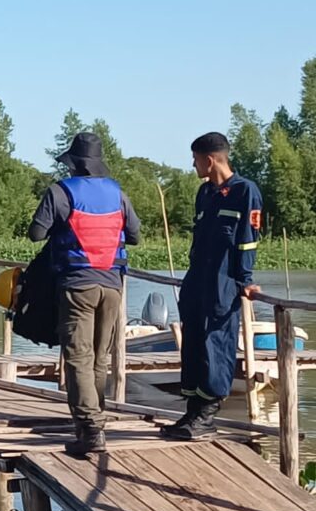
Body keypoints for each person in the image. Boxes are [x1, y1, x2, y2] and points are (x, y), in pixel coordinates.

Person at [28, 132, 141, 454]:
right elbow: (133, 235)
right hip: (112, 285)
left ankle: (90, 430)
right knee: (99, 357)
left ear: (74, 164)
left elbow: (36, 233)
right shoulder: (118, 192)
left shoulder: (59, 192)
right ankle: (94, 419)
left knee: (77, 357)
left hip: (77, 285)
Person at [161, 132, 262, 441]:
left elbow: (247, 240)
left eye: (195, 160)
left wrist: (244, 279)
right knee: (192, 343)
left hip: (223, 282)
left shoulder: (246, 192)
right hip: (198, 279)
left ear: (210, 159)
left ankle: (208, 413)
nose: (193, 165)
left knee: (215, 344)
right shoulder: (205, 193)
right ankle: (193, 409)